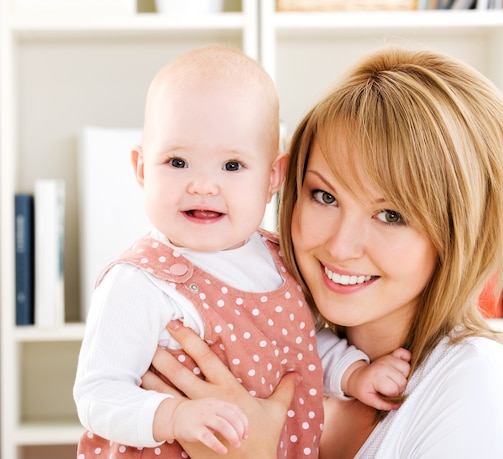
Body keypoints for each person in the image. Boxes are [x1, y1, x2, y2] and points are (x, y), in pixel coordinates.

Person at [143, 46, 503, 458]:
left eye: (391, 215)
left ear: (464, 233)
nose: (340, 245)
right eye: (324, 196)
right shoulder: (285, 368)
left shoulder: (477, 383)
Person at [73, 45, 411, 458]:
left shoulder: (278, 259)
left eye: (231, 166)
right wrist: (174, 415)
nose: (203, 185)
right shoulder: (139, 282)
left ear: (273, 177)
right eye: (177, 162)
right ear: (142, 170)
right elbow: (97, 393)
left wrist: (353, 374)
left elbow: (298, 343)